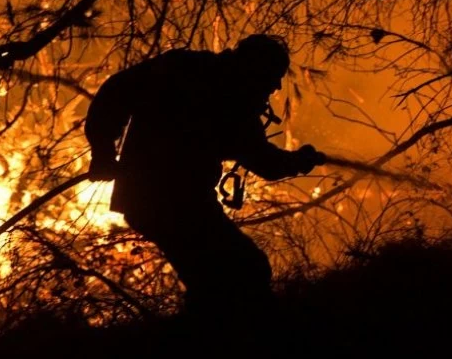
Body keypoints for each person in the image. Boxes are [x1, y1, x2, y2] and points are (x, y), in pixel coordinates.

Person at [83, 34, 324, 314]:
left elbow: (116, 90)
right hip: (171, 204)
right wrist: (301, 161)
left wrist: (103, 150)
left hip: (160, 201)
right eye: (273, 76)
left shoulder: (194, 72)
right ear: (255, 67)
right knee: (244, 269)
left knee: (220, 278)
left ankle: (211, 338)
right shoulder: (224, 96)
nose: (276, 86)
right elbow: (266, 162)